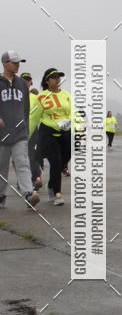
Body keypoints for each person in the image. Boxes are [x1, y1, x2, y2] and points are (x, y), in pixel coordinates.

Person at [0, 51, 40, 210]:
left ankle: (29, 194)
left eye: (19, 63)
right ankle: (1, 196)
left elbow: (26, 108)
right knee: (2, 167)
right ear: (5, 63)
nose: (17, 65)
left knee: (23, 163)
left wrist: (25, 126)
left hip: (19, 133)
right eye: (14, 62)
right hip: (2, 134)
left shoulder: (22, 84)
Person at [29, 67, 71, 205]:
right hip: (48, 132)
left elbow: (73, 112)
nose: (58, 79)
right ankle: (56, 193)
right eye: (54, 77)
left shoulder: (66, 95)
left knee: (64, 159)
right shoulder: (42, 97)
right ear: (47, 81)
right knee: (56, 161)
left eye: (59, 77)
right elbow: (33, 118)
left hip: (65, 131)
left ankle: (51, 184)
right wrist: (26, 136)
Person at [21, 71, 43, 190]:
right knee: (20, 157)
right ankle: (25, 179)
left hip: (33, 130)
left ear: (31, 82)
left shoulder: (36, 98)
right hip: (18, 130)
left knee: (31, 154)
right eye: (23, 79)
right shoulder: (16, 96)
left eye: (28, 80)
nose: (26, 81)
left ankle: (35, 178)